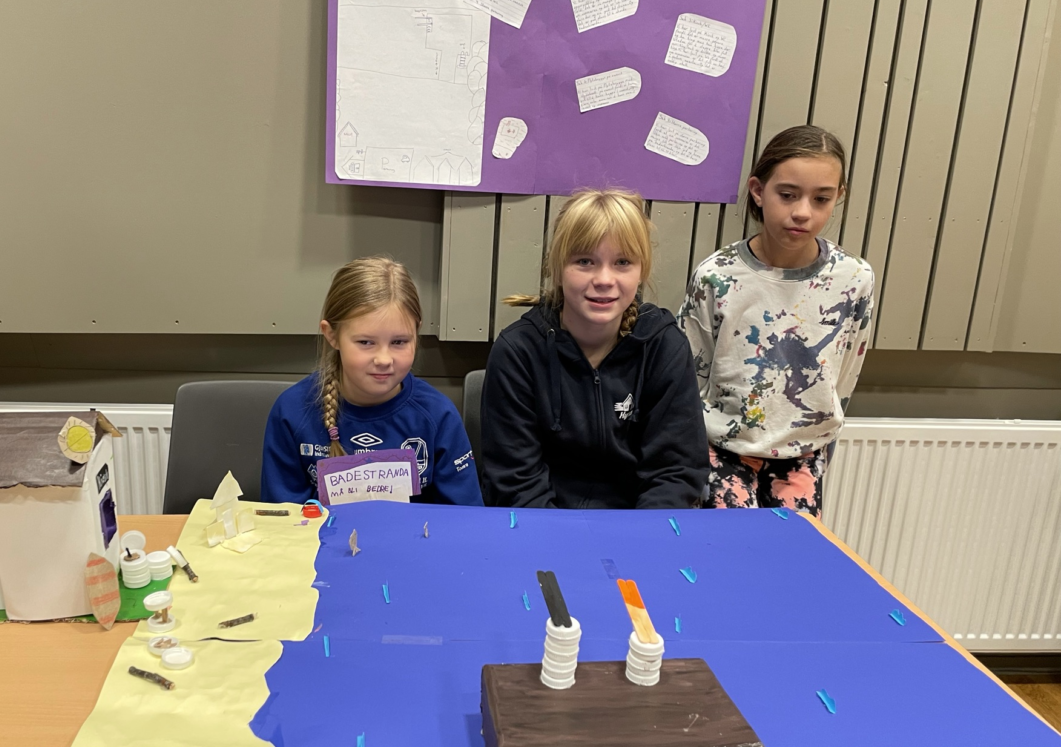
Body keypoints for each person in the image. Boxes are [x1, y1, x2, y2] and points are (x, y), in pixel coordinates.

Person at [678, 125, 874, 515]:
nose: (802, 212)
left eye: (821, 199)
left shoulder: (854, 279)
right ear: (758, 190)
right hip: (722, 450)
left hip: (803, 455)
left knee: (792, 549)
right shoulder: (717, 276)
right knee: (733, 548)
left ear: (839, 197)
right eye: (787, 195)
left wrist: (820, 444)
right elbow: (690, 374)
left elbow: (845, 374)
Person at [480, 189, 708, 509]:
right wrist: (557, 538)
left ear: (641, 270)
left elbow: (675, 472)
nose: (604, 279)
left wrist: (639, 534)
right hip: (545, 525)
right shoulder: (518, 352)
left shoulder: (663, 346)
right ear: (558, 268)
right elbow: (516, 481)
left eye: (622, 262)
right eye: (585, 261)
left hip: (638, 524)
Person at [261, 255, 483, 506]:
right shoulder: (292, 411)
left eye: (399, 342)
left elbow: (466, 516)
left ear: (416, 333)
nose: (384, 359)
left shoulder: (438, 415)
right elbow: (281, 519)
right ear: (332, 335)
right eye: (366, 342)